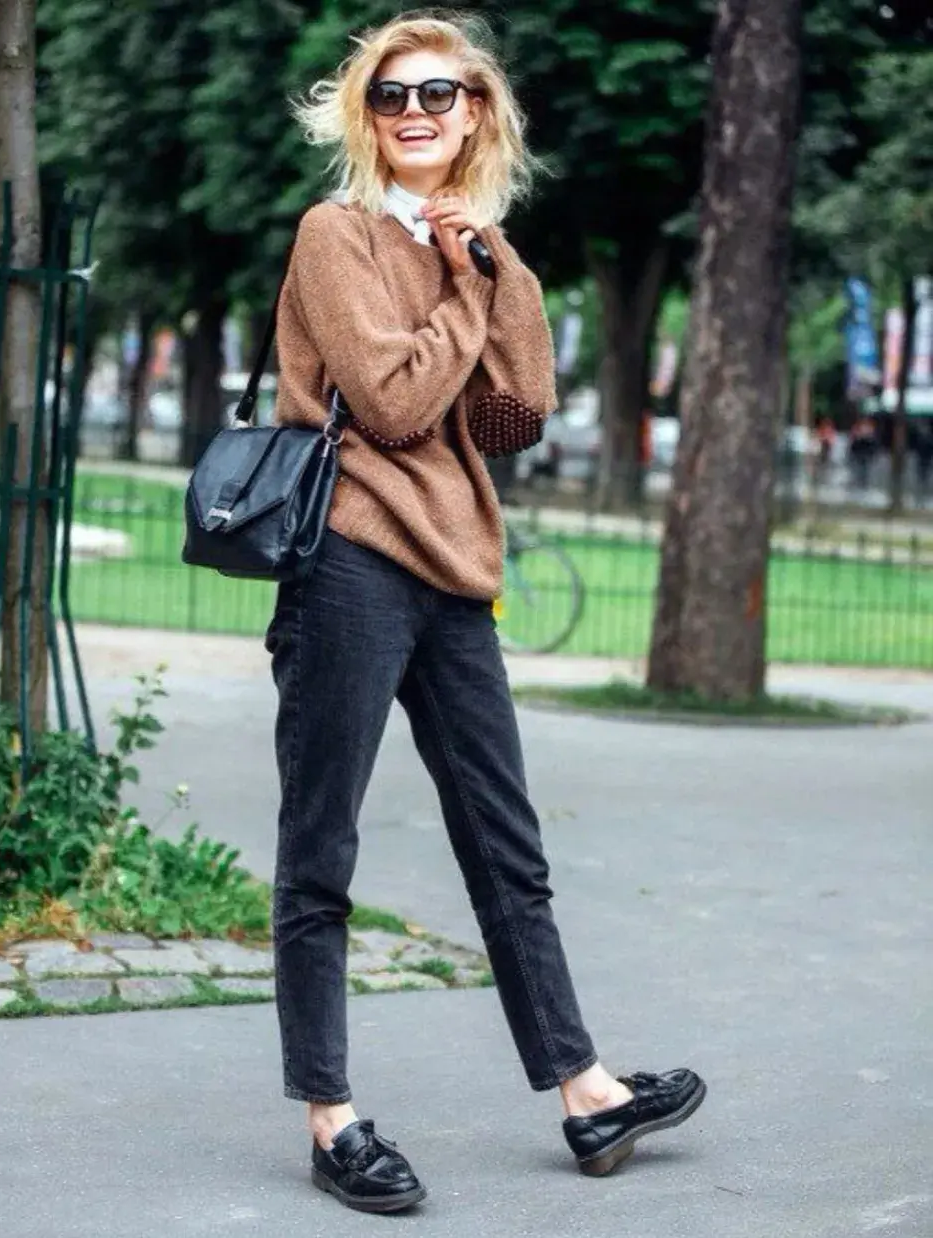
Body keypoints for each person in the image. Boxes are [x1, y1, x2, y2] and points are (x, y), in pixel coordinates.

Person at [266, 13, 706, 1214]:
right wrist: (464, 292)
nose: (417, 113)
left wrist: (495, 272)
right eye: (395, 96)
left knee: (509, 850)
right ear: (369, 116)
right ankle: (331, 1116)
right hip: (351, 561)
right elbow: (399, 404)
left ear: (475, 117)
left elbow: (516, 418)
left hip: (456, 573)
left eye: (441, 96)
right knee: (323, 849)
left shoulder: (489, 252)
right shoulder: (334, 236)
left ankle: (586, 1091)